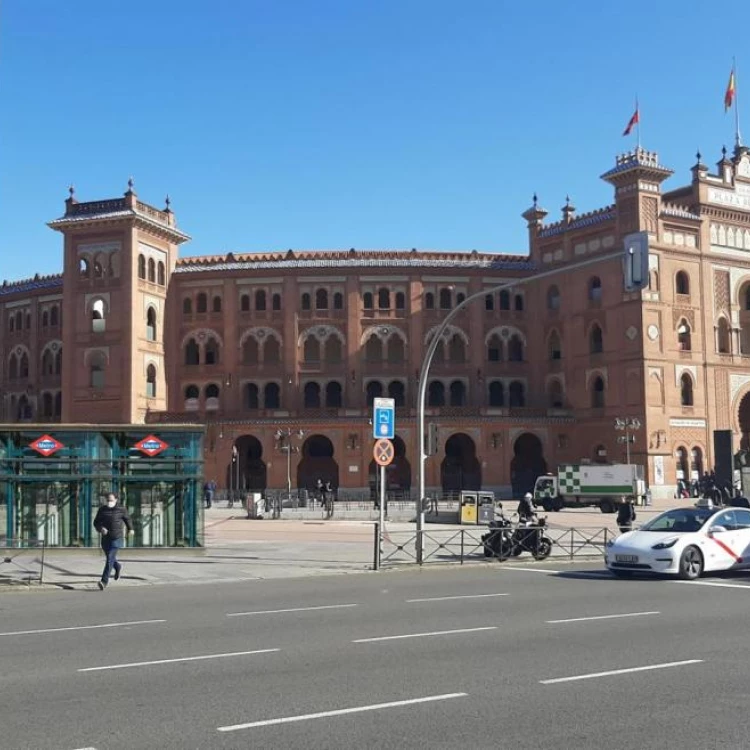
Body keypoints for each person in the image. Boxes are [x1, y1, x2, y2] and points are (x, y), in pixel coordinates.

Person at [93, 493, 134, 590]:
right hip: (106, 538)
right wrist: (101, 528)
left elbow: (127, 519)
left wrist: (131, 529)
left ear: (116, 500)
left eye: (111, 500)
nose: (109, 502)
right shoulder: (102, 509)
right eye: (107, 500)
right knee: (110, 558)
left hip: (117, 538)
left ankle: (104, 581)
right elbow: (96, 522)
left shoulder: (121, 509)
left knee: (109, 559)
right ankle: (118, 567)